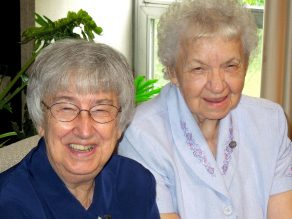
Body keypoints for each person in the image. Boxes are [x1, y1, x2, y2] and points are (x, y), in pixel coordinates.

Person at [118, 0, 292, 218]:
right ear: (172, 71)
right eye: (199, 69)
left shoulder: (270, 122)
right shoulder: (142, 134)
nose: (217, 85)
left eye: (230, 66)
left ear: (246, 65)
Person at [0, 39, 160, 219]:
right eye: (66, 108)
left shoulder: (134, 182)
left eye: (101, 110)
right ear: (41, 120)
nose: (85, 130)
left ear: (119, 126)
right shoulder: (9, 205)